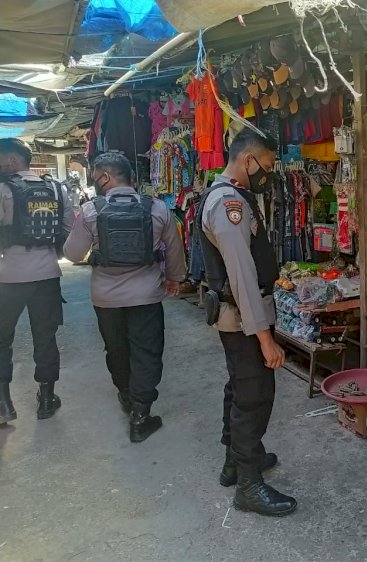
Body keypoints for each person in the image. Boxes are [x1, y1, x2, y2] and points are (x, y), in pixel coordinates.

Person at [196, 127, 296, 517]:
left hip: (238, 317)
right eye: (267, 166)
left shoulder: (230, 196)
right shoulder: (227, 204)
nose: (268, 174)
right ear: (247, 160)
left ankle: (235, 462)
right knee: (254, 396)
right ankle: (248, 485)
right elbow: (241, 275)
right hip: (241, 319)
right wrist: (265, 338)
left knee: (239, 388)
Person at [63, 152, 186, 443]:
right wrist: (175, 279)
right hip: (146, 295)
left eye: (95, 174)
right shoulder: (157, 209)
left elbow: (72, 254)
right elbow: (174, 250)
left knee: (116, 349)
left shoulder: (91, 211)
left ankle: (126, 395)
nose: (94, 180)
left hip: (105, 298)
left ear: (105, 177)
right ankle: (141, 415)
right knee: (147, 351)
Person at [0, 138, 72, 424]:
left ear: (13, 161)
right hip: (47, 275)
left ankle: (4, 403)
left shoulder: (3, 189)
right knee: (46, 337)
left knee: (2, 339)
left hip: (9, 277)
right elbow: (67, 230)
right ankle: (46, 399)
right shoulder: (57, 188)